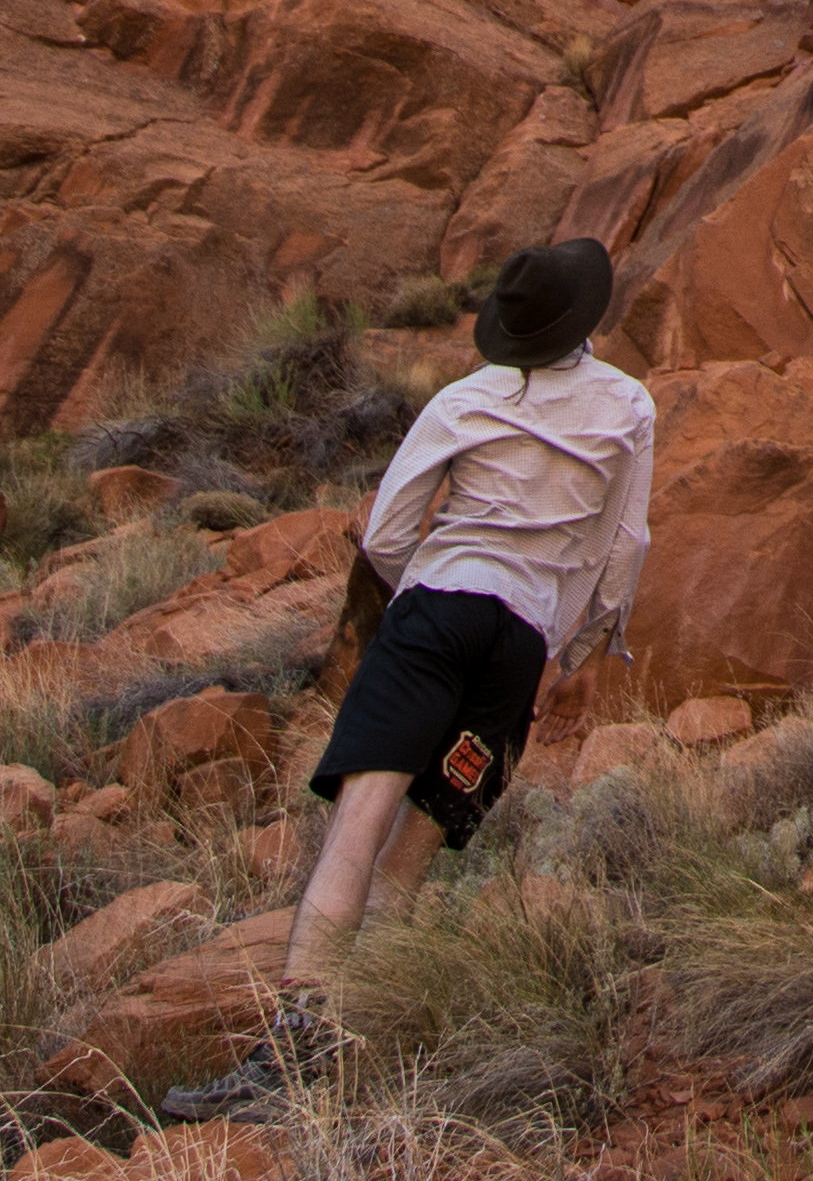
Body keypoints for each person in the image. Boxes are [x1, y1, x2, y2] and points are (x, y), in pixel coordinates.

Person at [191, 238, 654, 1098]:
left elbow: (388, 535)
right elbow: (622, 546)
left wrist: (422, 610)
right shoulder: (628, 405)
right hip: (519, 652)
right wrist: (579, 654)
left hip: (437, 612)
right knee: (410, 857)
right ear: (584, 318)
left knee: (358, 826)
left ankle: (295, 1053)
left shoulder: (463, 401)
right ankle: (366, 1049)